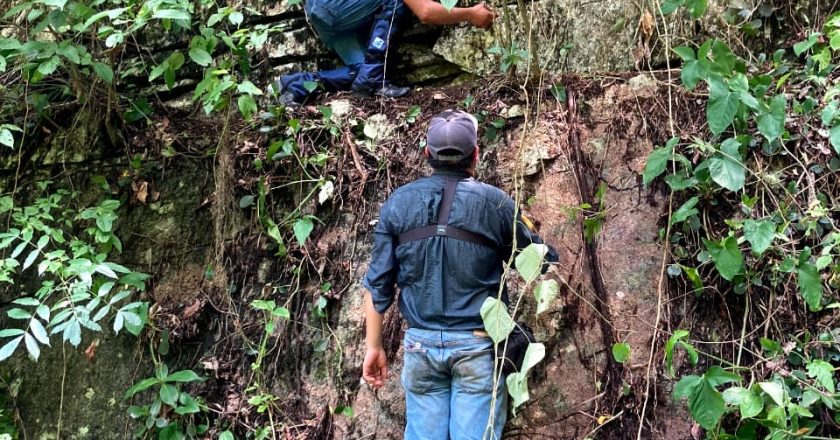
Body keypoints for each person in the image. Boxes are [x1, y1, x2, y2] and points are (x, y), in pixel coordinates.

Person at [361, 110, 558, 440]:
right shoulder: (495, 204)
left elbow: (377, 285)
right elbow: (540, 262)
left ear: (427, 155)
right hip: (477, 347)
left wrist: (374, 347)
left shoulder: (397, 204)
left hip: (420, 346)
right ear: (475, 155)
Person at [275, 0, 495, 107]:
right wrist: (469, 14)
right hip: (335, 7)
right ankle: (372, 75)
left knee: (364, 73)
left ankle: (297, 84)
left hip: (330, 20)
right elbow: (426, 12)